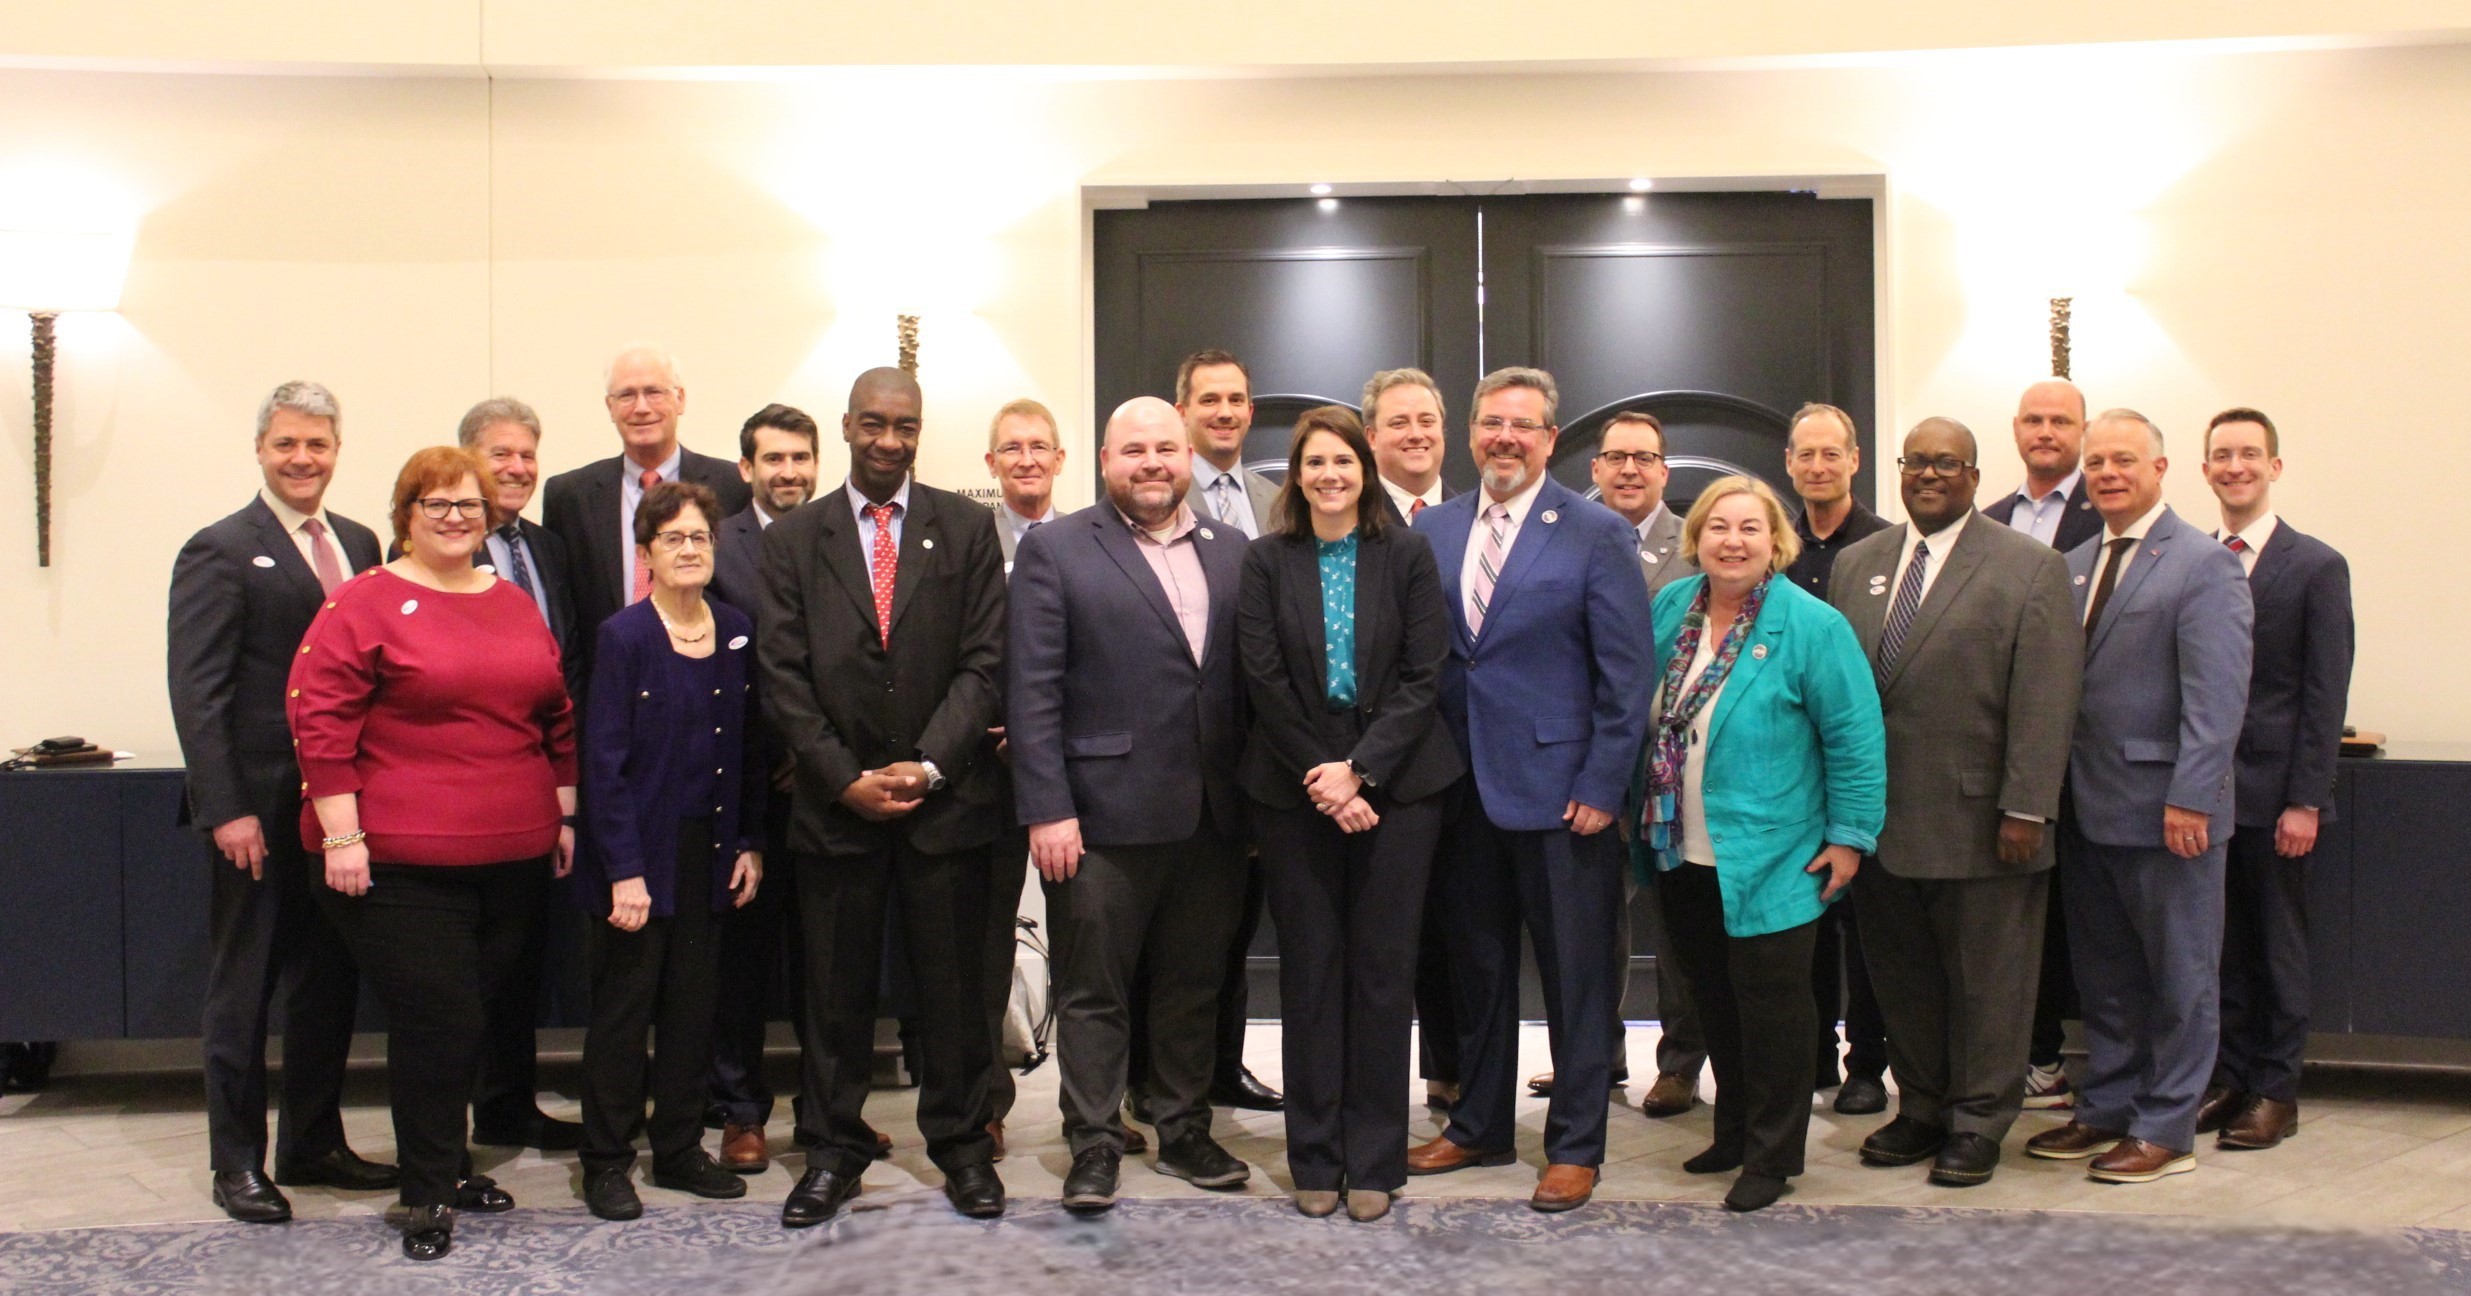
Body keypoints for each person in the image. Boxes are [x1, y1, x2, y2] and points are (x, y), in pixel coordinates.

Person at [288, 446, 578, 1261]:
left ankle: (447, 1166)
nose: (456, 518)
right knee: (438, 1021)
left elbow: (554, 715)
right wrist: (341, 834)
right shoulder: (364, 602)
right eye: (437, 504)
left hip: (512, 857)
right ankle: (425, 1192)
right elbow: (321, 721)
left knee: (474, 1019)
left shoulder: (513, 602)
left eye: (470, 505)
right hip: (395, 864)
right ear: (404, 516)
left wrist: (561, 814)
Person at [759, 368, 1010, 1226]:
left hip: (944, 808)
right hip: (836, 812)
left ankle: (963, 1149)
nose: (889, 441)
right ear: (847, 426)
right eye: (873, 424)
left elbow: (985, 663)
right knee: (833, 1000)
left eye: (905, 427)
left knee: (953, 997)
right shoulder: (793, 538)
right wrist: (841, 777)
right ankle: (831, 1153)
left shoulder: (966, 527)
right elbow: (782, 675)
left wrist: (930, 764)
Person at [1406, 367, 1656, 1213]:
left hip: (1563, 798)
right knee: (1475, 970)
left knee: (1575, 978)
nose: (1504, 437)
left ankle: (1575, 1144)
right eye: (1490, 423)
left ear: (1551, 440)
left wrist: (1602, 784)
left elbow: (1626, 677)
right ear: (1470, 434)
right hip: (1460, 792)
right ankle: (1476, 1124)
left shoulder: (1594, 532)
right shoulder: (1433, 530)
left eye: (1523, 425)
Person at [1009, 396, 1253, 1213]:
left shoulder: (1233, 551)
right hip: (1098, 816)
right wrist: (1047, 808)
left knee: (1192, 983)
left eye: (1165, 449)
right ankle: (1093, 1141)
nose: (1152, 463)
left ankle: (1183, 1126)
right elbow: (1033, 689)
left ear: (1187, 456)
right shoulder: (1058, 548)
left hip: (1211, 818)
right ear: (1105, 461)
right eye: (1133, 450)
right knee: (1094, 990)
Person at [1825, 418, 2081, 1188]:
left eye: (1946, 464)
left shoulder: (2028, 566)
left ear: (1973, 475)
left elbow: (2045, 698)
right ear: (1897, 473)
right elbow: (1840, 696)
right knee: (1902, 980)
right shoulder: (1856, 564)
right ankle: (1923, 1107)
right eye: (1916, 463)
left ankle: (1976, 1120)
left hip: (1984, 821)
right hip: (1877, 825)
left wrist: (2028, 809)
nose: (1928, 475)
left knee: (1989, 986)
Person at [167, 380, 393, 1224]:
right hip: (256, 814)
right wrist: (225, 809)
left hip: (337, 816)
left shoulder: (363, 542)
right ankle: (237, 1163)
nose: (303, 460)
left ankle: (313, 1142)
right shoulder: (221, 549)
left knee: (326, 982)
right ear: (261, 449)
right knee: (245, 988)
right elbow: (199, 693)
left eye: (319, 445)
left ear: (338, 451)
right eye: (288, 444)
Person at [1628, 474, 1885, 1212]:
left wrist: (1849, 837)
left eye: (1748, 529)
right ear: (1695, 539)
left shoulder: (1810, 625)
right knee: (1712, 997)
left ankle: (1774, 1155)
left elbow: (1854, 738)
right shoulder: (1672, 608)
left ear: (1775, 542)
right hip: (1679, 846)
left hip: (1775, 850)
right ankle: (1734, 1129)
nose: (1731, 541)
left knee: (1773, 1006)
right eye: (1717, 527)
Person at [1238, 407, 1462, 1223]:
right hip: (1294, 792)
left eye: (1342, 461)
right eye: (1312, 463)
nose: (1328, 475)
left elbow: (1423, 671)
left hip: (1397, 789)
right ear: (1294, 476)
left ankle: (1373, 1158)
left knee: (1380, 976)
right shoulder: (1266, 561)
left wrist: (1361, 772)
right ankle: (1315, 1156)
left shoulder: (1405, 552)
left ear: (1364, 470)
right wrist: (1325, 779)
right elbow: (1262, 679)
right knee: (1310, 974)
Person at [2026, 410, 2253, 1184]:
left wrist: (2192, 796)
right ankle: (2107, 1108)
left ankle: (2166, 1128)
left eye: (2124, 460)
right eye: (2096, 464)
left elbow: (2217, 698)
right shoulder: (2074, 564)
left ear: (2160, 469)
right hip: (2087, 808)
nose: (2108, 474)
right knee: (2106, 978)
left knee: (2180, 978)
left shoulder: (2201, 564)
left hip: (2169, 813)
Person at [574, 480, 765, 1220]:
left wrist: (748, 843)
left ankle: (680, 1150)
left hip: (710, 850)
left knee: (694, 1010)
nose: (689, 550)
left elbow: (748, 750)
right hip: (637, 857)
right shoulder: (622, 637)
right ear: (645, 551)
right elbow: (604, 763)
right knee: (624, 1015)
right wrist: (624, 870)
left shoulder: (735, 628)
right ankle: (607, 1161)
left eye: (700, 538)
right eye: (674, 538)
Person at [2196, 407, 2354, 1151]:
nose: (2235, 466)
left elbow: (2324, 696)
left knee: (2276, 948)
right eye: (2221, 455)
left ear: (2274, 467)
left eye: (2248, 455)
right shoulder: (2192, 560)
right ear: (2203, 470)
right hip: (2200, 797)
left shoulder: (2315, 565)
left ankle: (2274, 1091)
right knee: (2215, 947)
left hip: (2274, 800)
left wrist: (2304, 800)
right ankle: (2225, 1079)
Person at [1554, 409, 1709, 1121]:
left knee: (1678, 928)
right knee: (1591, 923)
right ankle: (1593, 1056)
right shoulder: (1566, 537)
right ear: (1594, 469)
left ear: (1663, 472)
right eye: (1614, 457)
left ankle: (1678, 1065)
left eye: (1643, 458)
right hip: (1587, 764)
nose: (1627, 470)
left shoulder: (1697, 545)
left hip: (1675, 767)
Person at [1145, 348, 1284, 1116]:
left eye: (1236, 399)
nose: (1225, 412)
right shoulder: (1152, 490)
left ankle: (1222, 1067)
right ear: (1184, 414)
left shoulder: (1275, 500)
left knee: (1229, 930)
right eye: (1208, 401)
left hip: (1255, 757)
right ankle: (1153, 1081)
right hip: (1167, 762)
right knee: (1162, 939)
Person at [449, 397, 588, 1155]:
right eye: (501, 454)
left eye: (528, 456)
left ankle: (508, 1104)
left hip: (540, 779)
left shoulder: (548, 547)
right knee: (462, 971)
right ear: (467, 457)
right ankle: (451, 1127)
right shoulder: (440, 549)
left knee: (518, 958)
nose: (517, 469)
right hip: (463, 787)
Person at [703, 402, 820, 1173]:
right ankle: (741, 1113)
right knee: (741, 961)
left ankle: (826, 1113)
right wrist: (778, 751)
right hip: (744, 788)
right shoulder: (714, 546)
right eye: (772, 460)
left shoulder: (836, 533)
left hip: (825, 787)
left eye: (800, 459)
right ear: (745, 469)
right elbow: (717, 663)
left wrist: (817, 755)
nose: (788, 473)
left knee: (826, 959)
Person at [1983, 378, 2103, 1111]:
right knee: (2010, 919)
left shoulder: (2107, 513)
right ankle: (2021, 1053)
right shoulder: (1989, 518)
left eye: (2061, 420)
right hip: (1999, 753)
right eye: (2033, 419)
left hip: (2083, 756)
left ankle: (2057, 1058)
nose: (2046, 431)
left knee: (2068, 920)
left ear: (2082, 431)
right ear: (2015, 429)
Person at [1781, 402, 1893, 1115]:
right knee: (1803, 918)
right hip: (1790, 770)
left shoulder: (1887, 546)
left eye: (1831, 454)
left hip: (1856, 762)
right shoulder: (1771, 544)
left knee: (1867, 928)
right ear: (1788, 464)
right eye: (1804, 455)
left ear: (1854, 460)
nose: (1818, 467)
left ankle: (1865, 1066)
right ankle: (1809, 1057)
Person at [1361, 367, 1463, 1113]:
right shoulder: (1345, 522)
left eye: (1426, 419)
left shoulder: (1473, 518)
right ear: (1370, 438)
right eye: (1398, 422)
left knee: (1458, 932)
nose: (1416, 433)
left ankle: (1450, 1071)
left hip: (1460, 761)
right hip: (1369, 772)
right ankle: (1370, 1098)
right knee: (1385, 944)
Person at [541, 346, 752, 679]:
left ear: (680, 399)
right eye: (626, 395)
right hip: (608, 683)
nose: (641, 408)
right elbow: (563, 613)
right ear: (609, 407)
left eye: (654, 392)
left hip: (708, 678)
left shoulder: (733, 485)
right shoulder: (569, 496)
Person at [980, 398, 1068, 1155]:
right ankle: (987, 1100)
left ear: (1062, 460)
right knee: (982, 943)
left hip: (1076, 777)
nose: (1028, 459)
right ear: (991, 465)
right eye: (1012, 448)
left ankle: (1098, 1103)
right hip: (987, 771)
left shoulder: (1086, 541)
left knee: (1088, 944)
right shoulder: (969, 542)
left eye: (1040, 446)